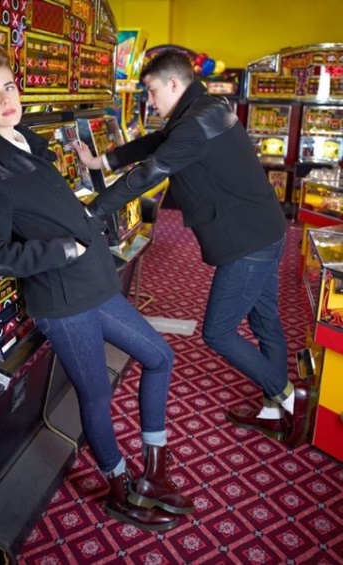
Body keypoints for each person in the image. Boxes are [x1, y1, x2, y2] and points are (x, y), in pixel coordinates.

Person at [0, 43, 195, 532]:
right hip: (61, 300)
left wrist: (89, 223)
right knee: (96, 394)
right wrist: (63, 250)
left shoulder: (27, 141)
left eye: (9, 87)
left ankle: (153, 473)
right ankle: (119, 487)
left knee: (159, 356)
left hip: (93, 284)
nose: (5, 99)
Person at [74, 49, 317, 449]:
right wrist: (102, 161)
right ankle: (274, 412)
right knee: (265, 323)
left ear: (173, 83)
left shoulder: (192, 123)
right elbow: (155, 142)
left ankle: (292, 398)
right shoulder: (202, 107)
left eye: (152, 90)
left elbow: (149, 172)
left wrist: (93, 211)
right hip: (267, 230)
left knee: (218, 332)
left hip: (247, 243)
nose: (150, 100)